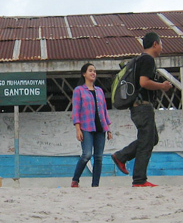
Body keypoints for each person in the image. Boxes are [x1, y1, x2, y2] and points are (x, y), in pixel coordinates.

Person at [110, 32, 172, 187]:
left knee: (152, 139)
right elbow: (144, 82)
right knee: (146, 141)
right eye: (161, 43)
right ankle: (139, 179)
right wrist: (162, 86)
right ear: (155, 44)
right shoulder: (147, 59)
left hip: (138, 107)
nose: (161, 47)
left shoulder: (140, 59)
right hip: (142, 106)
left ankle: (122, 156)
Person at [70, 63, 113, 187]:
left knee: (99, 157)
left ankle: (95, 185)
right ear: (84, 74)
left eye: (94, 71)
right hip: (86, 127)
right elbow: (76, 110)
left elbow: (104, 111)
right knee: (87, 154)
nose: (93, 73)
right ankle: (75, 180)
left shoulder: (99, 91)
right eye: (90, 71)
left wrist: (108, 129)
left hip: (101, 128)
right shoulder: (79, 90)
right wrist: (78, 129)